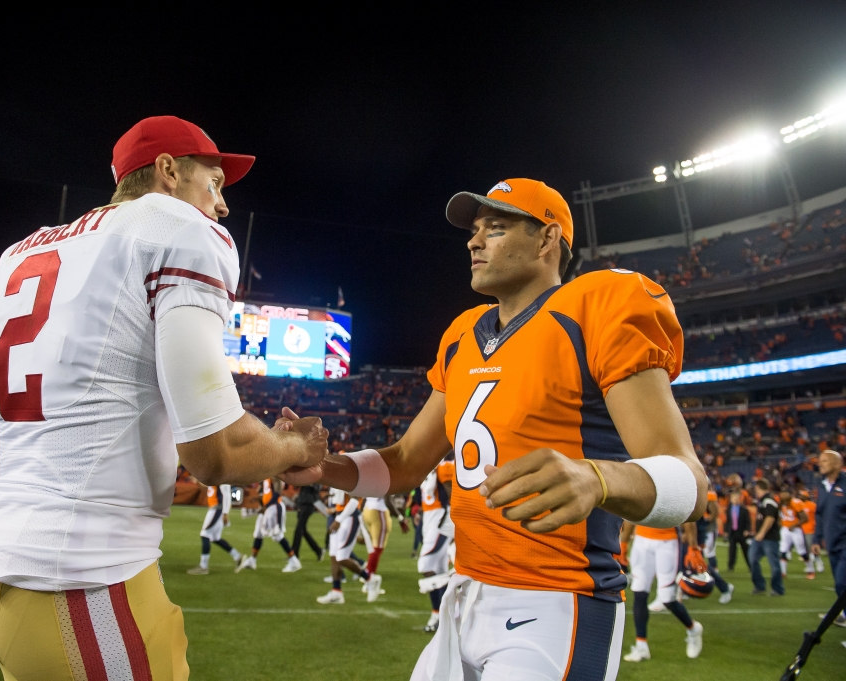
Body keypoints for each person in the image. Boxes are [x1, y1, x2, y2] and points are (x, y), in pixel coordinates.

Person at [0, 115, 329, 681]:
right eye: (213, 184)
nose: (221, 207)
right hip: (83, 589)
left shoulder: (23, 253)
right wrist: (295, 448)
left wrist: (37, 486)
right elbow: (213, 452)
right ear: (169, 171)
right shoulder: (176, 228)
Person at [283, 178, 708, 680]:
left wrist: (599, 479)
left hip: (556, 602)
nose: (474, 240)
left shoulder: (599, 305)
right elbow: (403, 463)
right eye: (475, 229)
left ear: (547, 240)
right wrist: (323, 467)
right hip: (465, 595)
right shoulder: (465, 334)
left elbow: (692, 484)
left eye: (497, 228)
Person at [621, 521, 704, 662]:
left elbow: (689, 514)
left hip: (667, 542)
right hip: (641, 541)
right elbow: (631, 513)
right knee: (639, 592)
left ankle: (693, 628)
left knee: (667, 599)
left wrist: (693, 547)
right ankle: (641, 646)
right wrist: (623, 544)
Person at [316, 489, 382, 604]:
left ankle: (370, 579)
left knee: (342, 557)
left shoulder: (351, 473)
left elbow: (354, 501)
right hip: (339, 514)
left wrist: (339, 520)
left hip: (349, 517)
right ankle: (336, 591)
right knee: (333, 556)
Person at [416, 456, 455, 633]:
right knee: (438, 570)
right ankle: (446, 616)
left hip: (442, 520)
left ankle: (437, 614)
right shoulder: (428, 466)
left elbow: (452, 496)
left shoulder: (445, 466)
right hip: (431, 520)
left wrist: (457, 527)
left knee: (425, 564)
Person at [812, 449, 846, 631]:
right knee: (839, 586)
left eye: (825, 460)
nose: (820, 463)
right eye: (820, 460)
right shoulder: (823, 486)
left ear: (837, 464)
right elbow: (820, 515)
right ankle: (843, 615)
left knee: (842, 583)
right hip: (832, 544)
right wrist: (816, 539)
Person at [236, 478, 301, 573]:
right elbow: (268, 492)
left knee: (277, 535)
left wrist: (267, 506)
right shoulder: (267, 474)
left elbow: (278, 492)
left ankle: (294, 561)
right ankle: (252, 560)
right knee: (258, 533)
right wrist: (261, 500)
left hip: (274, 508)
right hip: (268, 507)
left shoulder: (275, 474)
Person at [187, 484, 242, 575]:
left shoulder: (222, 476)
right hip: (215, 508)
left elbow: (227, 494)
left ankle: (203, 566)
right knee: (215, 538)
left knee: (205, 534)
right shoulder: (216, 476)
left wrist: (225, 513)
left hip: (217, 509)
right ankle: (237, 556)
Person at [361, 493, 408, 583]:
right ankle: (369, 575)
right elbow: (387, 501)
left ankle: (368, 571)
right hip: (378, 510)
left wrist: (362, 513)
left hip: (367, 509)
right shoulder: (384, 478)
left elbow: (364, 497)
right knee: (378, 546)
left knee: (374, 544)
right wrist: (400, 517)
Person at [749, 479, 784, 596]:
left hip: (769, 538)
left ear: (758, 487)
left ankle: (778, 589)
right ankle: (759, 585)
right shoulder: (763, 500)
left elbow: (770, 518)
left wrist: (762, 532)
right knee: (753, 559)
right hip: (759, 537)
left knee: (774, 563)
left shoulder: (769, 500)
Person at [778, 489, 813, 578]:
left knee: (801, 551)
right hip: (785, 529)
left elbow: (805, 518)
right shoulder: (780, 503)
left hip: (795, 530)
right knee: (783, 550)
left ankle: (810, 569)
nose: (785, 503)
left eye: (786, 501)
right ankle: (783, 572)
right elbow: (779, 515)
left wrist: (794, 525)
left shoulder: (796, 503)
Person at [291, 482, 326, 561]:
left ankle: (294, 554)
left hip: (309, 504)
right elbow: (296, 486)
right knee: (302, 530)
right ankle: (318, 550)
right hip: (301, 502)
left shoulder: (316, 478)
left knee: (298, 530)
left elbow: (317, 488)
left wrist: (307, 481)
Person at [725, 474, 753, 571]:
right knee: (732, 551)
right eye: (734, 498)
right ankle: (730, 566)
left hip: (741, 532)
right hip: (732, 532)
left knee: (745, 550)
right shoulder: (729, 508)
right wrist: (726, 531)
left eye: (737, 498)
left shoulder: (744, 510)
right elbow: (727, 521)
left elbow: (748, 521)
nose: (735, 500)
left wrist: (747, 530)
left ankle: (750, 565)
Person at [799, 489, 823, 573]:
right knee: (805, 550)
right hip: (801, 530)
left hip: (810, 529)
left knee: (812, 548)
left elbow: (818, 515)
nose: (800, 496)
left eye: (802, 495)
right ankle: (810, 566)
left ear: (806, 496)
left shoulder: (812, 505)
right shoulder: (799, 505)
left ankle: (819, 562)